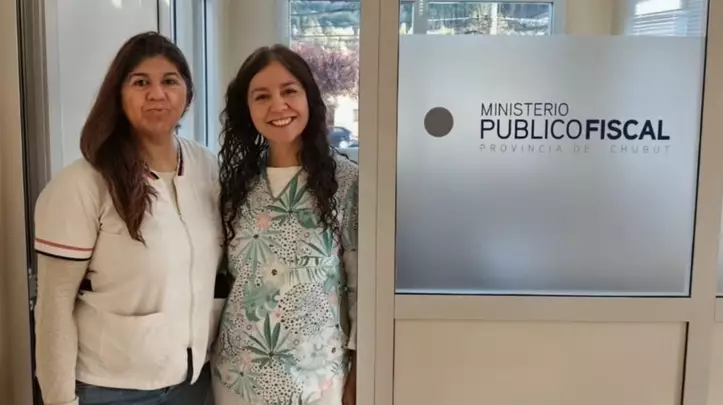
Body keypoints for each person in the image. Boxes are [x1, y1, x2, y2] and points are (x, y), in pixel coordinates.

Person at [33, 32, 223, 405]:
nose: (157, 94)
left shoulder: (207, 167)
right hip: (111, 389)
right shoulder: (82, 184)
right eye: (140, 82)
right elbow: (54, 307)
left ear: (187, 94)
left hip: (193, 383)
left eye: (170, 81)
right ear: (118, 95)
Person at [211, 45, 359, 405]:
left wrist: (361, 367)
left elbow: (361, 286)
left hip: (318, 379)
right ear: (247, 109)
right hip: (237, 377)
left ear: (309, 98)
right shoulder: (233, 186)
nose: (278, 105)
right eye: (261, 96)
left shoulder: (346, 183)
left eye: (289, 91)